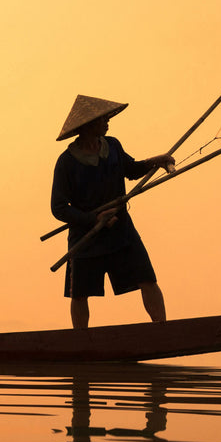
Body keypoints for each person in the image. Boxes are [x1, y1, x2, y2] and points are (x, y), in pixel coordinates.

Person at [50, 94, 176, 329]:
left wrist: (156, 161)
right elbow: (58, 208)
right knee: (79, 292)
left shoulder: (114, 146)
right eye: (103, 119)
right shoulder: (67, 162)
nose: (108, 122)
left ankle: (162, 329)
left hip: (121, 230)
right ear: (88, 126)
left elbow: (132, 169)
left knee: (147, 278)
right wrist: (92, 219)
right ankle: (80, 342)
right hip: (86, 236)